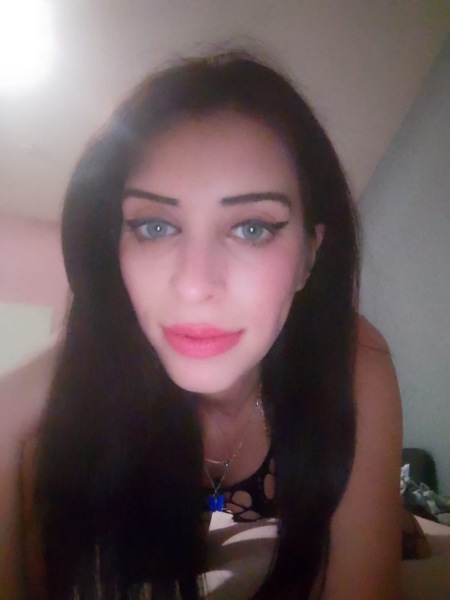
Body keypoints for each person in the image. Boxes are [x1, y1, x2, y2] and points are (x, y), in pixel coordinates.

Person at [13, 51, 402, 599]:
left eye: (251, 228)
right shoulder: (82, 387)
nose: (195, 285)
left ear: (308, 258)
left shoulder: (351, 362)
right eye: (155, 226)